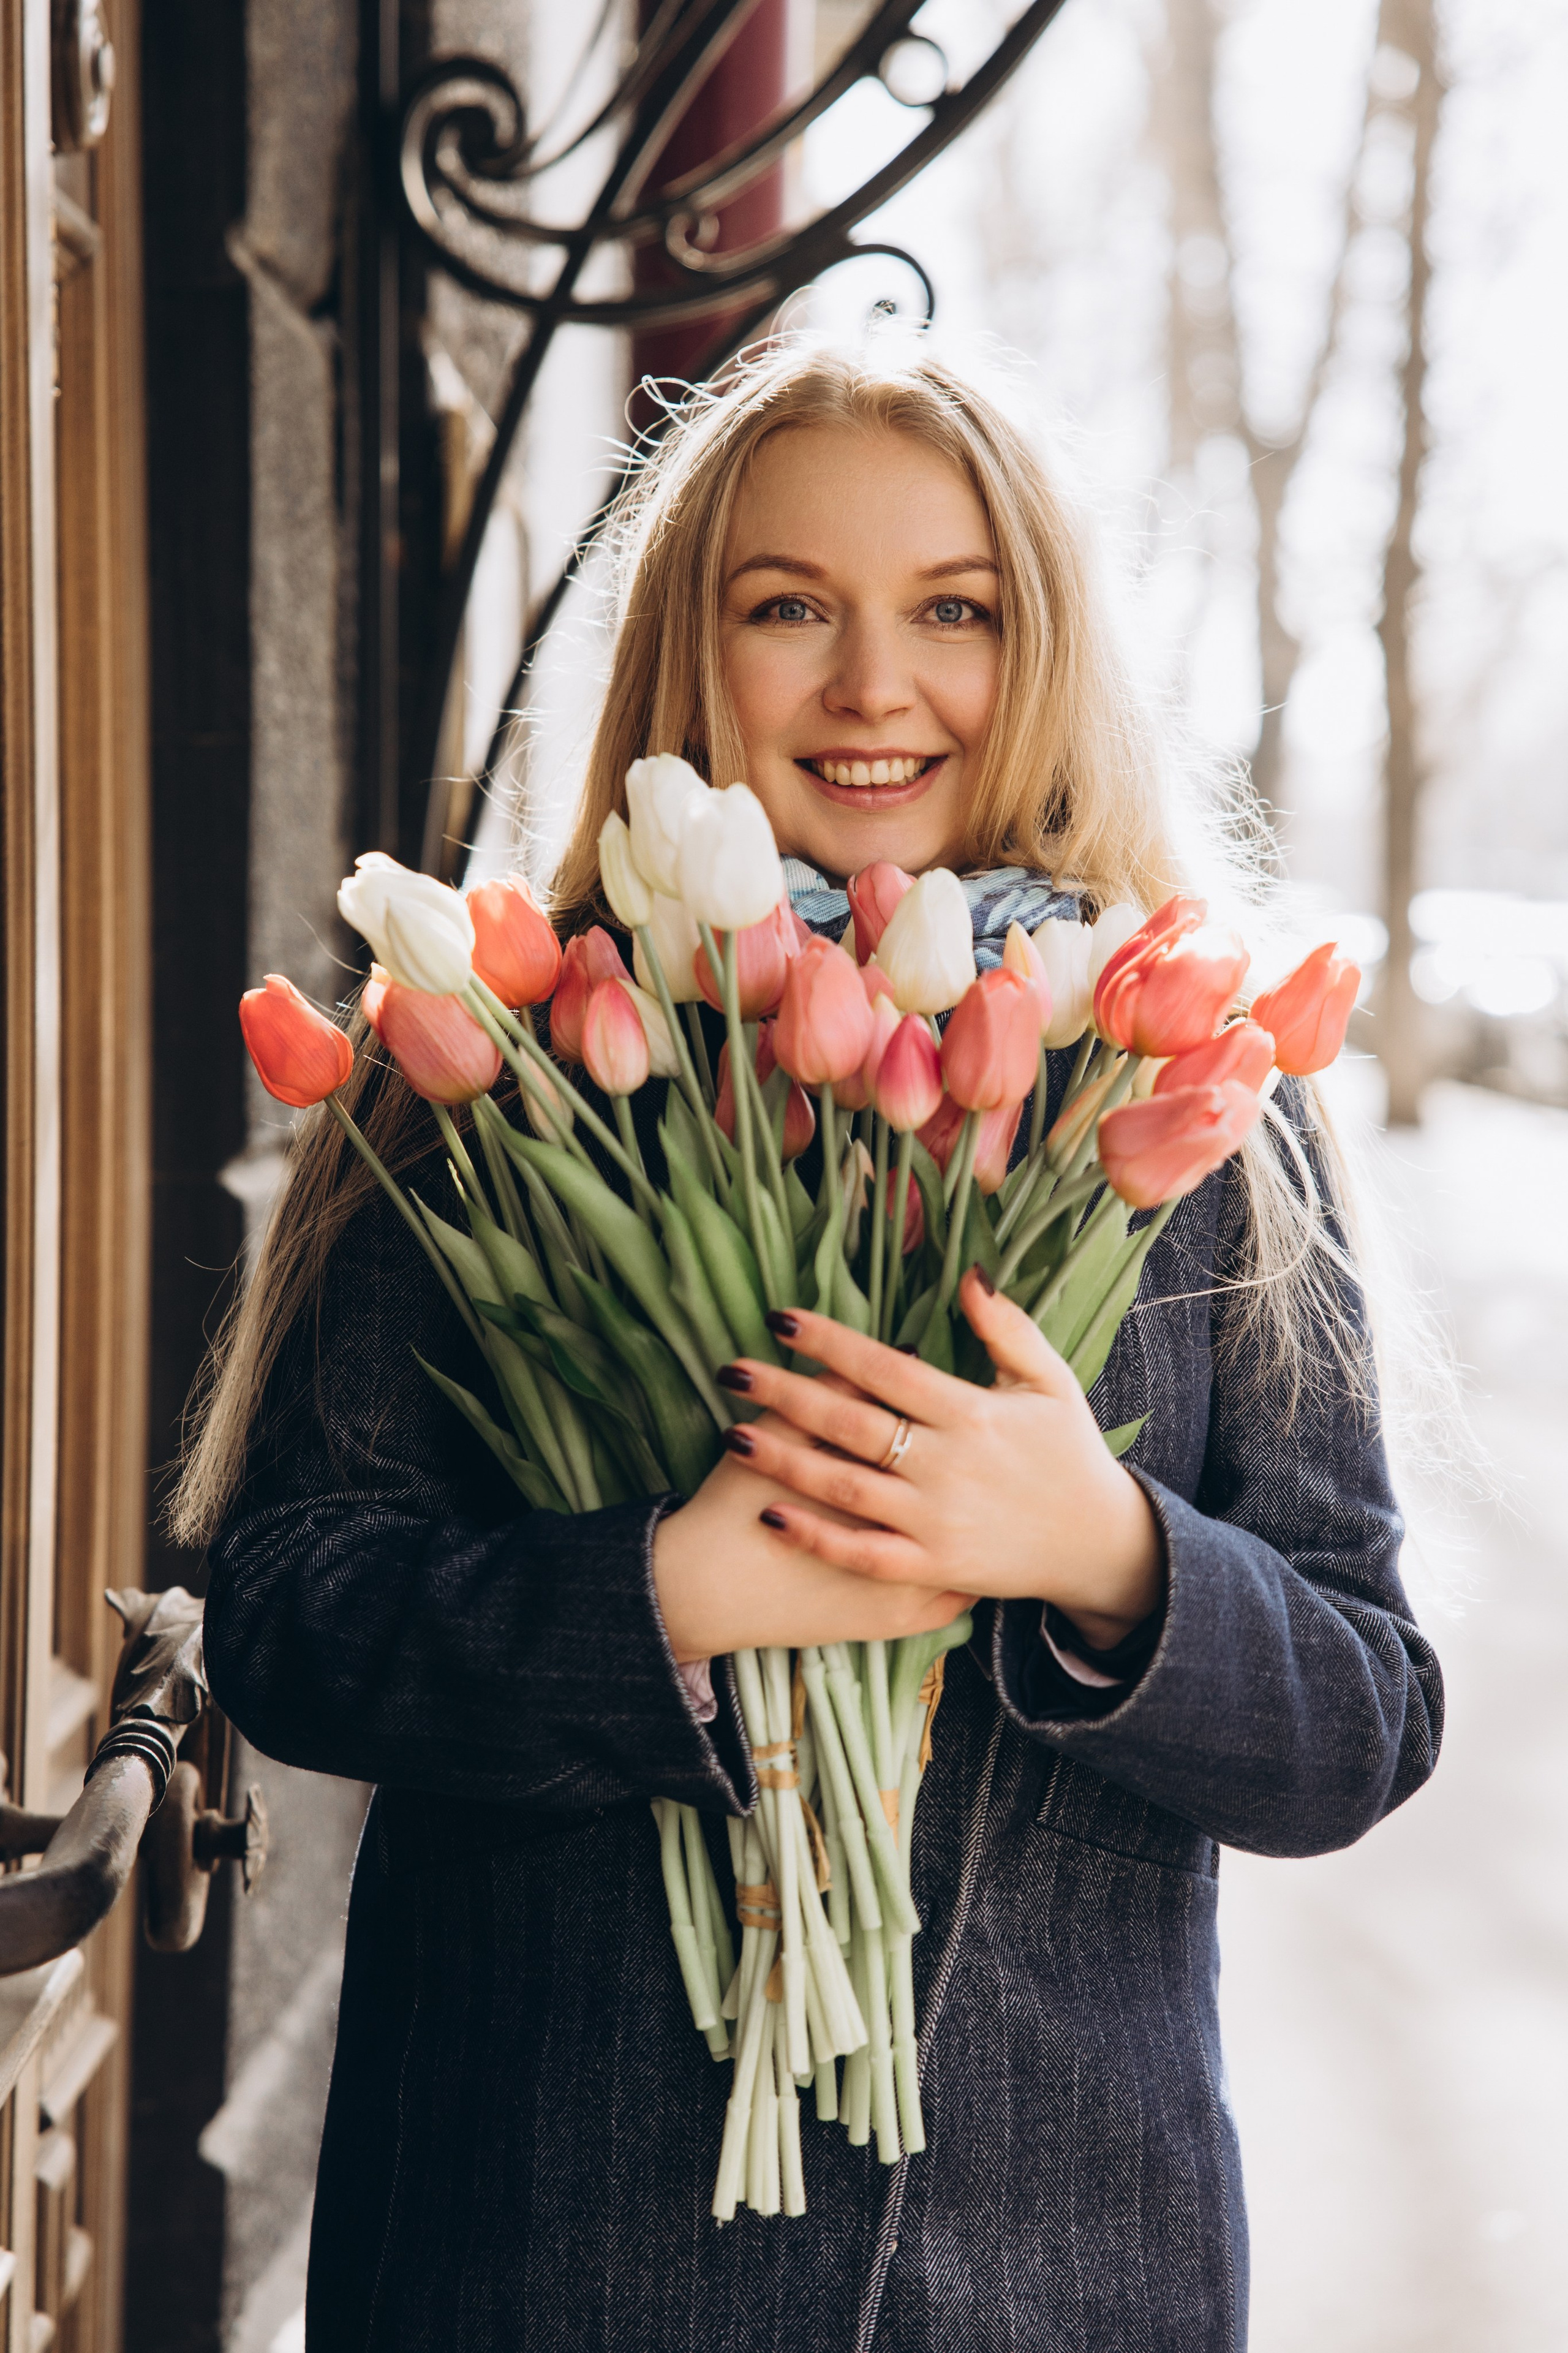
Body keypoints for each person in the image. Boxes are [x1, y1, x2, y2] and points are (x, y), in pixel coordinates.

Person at [176, 343, 1442, 2353]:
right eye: (791, 608)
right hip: (547, 2257)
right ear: (694, 649)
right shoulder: (494, 1074)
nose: (875, 685)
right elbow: (287, 1617)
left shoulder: (1199, 1100)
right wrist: (662, 1594)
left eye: (956, 610)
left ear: (1045, 653)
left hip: (1058, 2273)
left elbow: (1361, 1712)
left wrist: (1104, 1550)